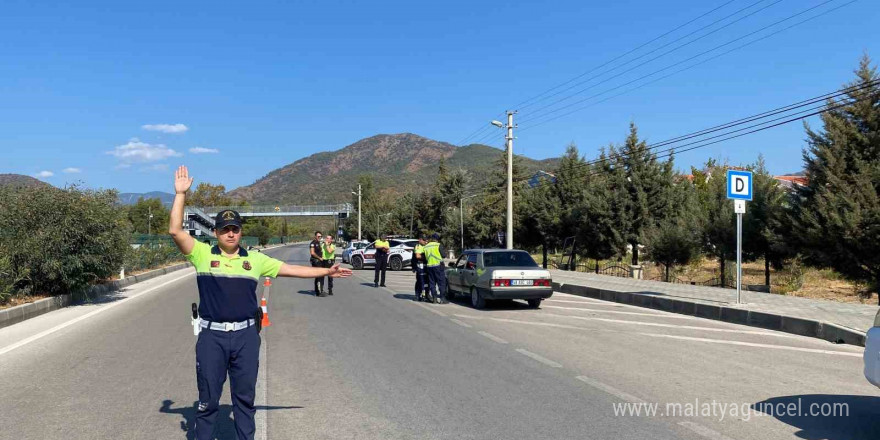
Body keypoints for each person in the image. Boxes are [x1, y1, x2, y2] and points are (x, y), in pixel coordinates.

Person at [168, 166, 352, 440]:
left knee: (245, 402)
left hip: (245, 337)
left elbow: (293, 270)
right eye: (225, 229)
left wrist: (326, 271)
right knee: (207, 404)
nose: (230, 234)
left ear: (241, 232)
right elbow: (175, 231)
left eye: (235, 229)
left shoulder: (256, 260)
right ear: (216, 233)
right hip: (211, 338)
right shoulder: (202, 255)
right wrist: (180, 195)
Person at [423, 233, 448, 304]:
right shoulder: (438, 245)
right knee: (441, 282)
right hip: (438, 266)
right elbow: (443, 255)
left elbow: (425, 257)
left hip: (429, 266)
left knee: (432, 283)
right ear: (437, 239)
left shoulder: (426, 246)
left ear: (432, 238)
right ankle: (442, 298)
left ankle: (434, 298)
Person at [411, 235, 430, 302]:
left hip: (427, 266)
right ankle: (417, 295)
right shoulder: (418, 246)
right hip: (420, 266)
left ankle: (426, 295)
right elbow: (417, 256)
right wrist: (426, 257)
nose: (426, 241)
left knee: (427, 281)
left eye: (427, 240)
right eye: (424, 240)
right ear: (420, 240)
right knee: (420, 281)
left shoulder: (427, 246)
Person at [309, 231, 326, 296]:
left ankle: (319, 290)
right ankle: (319, 292)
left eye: (320, 236)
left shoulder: (319, 243)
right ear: (315, 236)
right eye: (318, 236)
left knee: (320, 276)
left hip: (319, 261)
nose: (319, 237)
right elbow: (312, 253)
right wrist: (319, 258)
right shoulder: (313, 243)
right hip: (316, 261)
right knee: (319, 276)